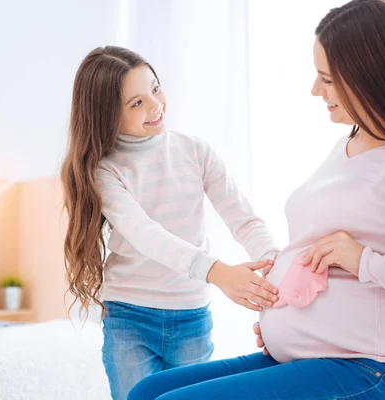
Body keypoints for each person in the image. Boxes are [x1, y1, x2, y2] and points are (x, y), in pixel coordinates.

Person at [127, 1, 385, 399]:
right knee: (146, 392)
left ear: (368, 77)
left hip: (378, 369)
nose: (316, 90)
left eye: (327, 79)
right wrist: (286, 317)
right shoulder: (348, 145)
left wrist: (367, 262)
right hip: (318, 358)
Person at [59, 45, 281, 400]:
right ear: (106, 115)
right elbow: (147, 236)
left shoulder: (195, 151)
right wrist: (220, 272)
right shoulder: (106, 171)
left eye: (156, 88)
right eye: (136, 103)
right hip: (130, 319)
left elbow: (242, 217)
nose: (155, 105)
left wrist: (276, 263)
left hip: (191, 316)